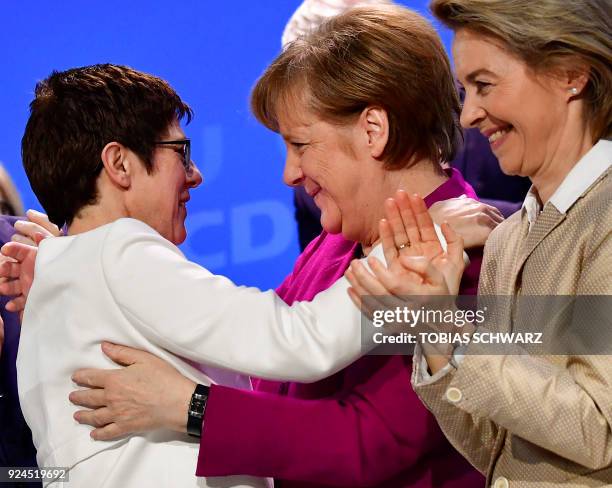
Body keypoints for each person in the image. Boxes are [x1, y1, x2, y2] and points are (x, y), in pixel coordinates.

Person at [49, 6, 495, 486]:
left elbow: (372, 440)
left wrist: (189, 407)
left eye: (300, 145)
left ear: (373, 130)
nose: (289, 173)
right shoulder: (334, 245)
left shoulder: (466, 257)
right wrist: (75, 273)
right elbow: (261, 367)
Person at [346, 0, 612, 486]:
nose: (468, 115)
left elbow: (597, 428)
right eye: (463, 91)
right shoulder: (509, 239)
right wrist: (434, 337)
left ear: (571, 73)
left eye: (484, 86)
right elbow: (494, 448)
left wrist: (449, 327)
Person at [284, 0, 525, 249]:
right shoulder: (310, 189)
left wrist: (475, 222)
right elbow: (311, 286)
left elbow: (555, 209)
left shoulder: (486, 113)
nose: (291, 174)